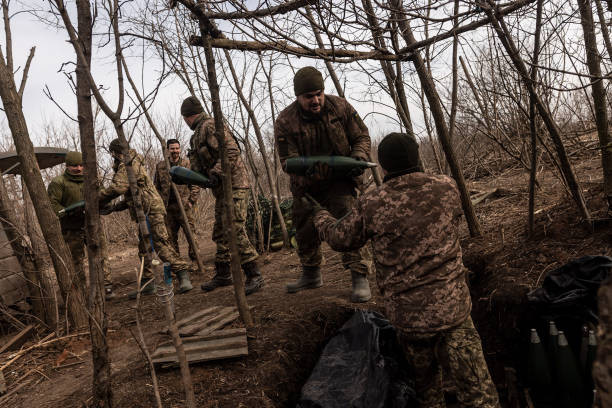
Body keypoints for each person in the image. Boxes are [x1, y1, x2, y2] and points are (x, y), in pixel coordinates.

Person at [310, 133, 500, 407]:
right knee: (479, 396)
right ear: (417, 157)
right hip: (454, 314)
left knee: (427, 392)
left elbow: (341, 238)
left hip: (409, 321)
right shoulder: (446, 187)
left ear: (384, 166)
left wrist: (320, 216)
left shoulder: (373, 202)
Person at [274, 66, 372, 303]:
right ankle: (311, 274)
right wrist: (307, 168)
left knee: (349, 222)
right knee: (304, 228)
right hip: (306, 185)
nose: (316, 100)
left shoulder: (340, 107)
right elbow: (287, 161)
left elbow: (362, 136)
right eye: (309, 96)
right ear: (298, 97)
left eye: (319, 93)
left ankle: (359, 275)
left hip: (341, 180)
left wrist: (359, 156)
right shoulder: (285, 121)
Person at [181, 96, 264, 295]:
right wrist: (187, 177)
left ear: (187, 117)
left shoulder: (209, 125)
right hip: (221, 190)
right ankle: (223, 273)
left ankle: (254, 274)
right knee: (220, 231)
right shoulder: (197, 135)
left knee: (233, 228)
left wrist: (217, 172)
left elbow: (232, 151)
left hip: (234, 185)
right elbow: (201, 168)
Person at [99, 139, 194, 295]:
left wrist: (97, 198)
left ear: (115, 153)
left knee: (161, 245)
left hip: (151, 209)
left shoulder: (129, 164)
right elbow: (132, 194)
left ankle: (183, 274)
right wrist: (114, 207)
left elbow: (118, 187)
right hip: (143, 210)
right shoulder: (129, 163)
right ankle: (148, 283)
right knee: (144, 249)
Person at [47, 151, 115, 300]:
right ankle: (82, 291)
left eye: (80, 165)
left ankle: (106, 286)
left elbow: (103, 195)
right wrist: (69, 212)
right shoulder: (58, 183)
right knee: (76, 260)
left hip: (93, 224)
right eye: (74, 166)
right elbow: (53, 205)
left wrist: (105, 205)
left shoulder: (91, 179)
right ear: (67, 166)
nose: (78, 169)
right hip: (71, 228)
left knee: (101, 255)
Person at [153, 139, 200, 266]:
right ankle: (179, 266)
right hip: (167, 209)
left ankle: (196, 262)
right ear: (168, 150)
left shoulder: (187, 164)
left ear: (180, 149)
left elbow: (195, 184)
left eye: (177, 148)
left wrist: (191, 201)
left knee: (192, 236)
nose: (175, 151)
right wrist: (159, 205)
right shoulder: (161, 166)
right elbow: (156, 187)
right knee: (170, 239)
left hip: (184, 207)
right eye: (172, 148)